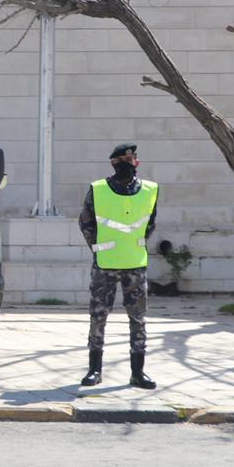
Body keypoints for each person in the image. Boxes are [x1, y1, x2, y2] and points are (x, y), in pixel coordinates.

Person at [77, 143, 159, 388]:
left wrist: (135, 244)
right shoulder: (98, 189)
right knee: (98, 316)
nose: (126, 164)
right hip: (105, 264)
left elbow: (150, 222)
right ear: (113, 163)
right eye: (121, 160)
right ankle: (95, 370)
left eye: (130, 159)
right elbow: (86, 223)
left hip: (136, 263)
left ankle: (138, 372)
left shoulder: (150, 189)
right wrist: (98, 248)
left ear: (136, 162)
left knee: (138, 318)